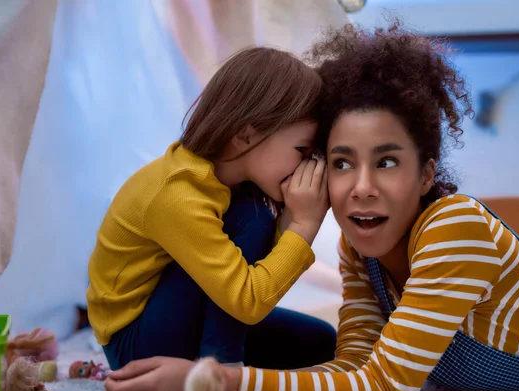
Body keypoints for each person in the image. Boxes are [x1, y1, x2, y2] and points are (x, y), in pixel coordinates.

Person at [104, 20, 519, 391]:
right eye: (341, 162)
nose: (361, 187)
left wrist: (221, 381)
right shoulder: (358, 249)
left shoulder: (455, 226)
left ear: (426, 174)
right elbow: (354, 371)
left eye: (386, 161)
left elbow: (383, 388)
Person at [86, 46, 336, 373]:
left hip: (183, 322)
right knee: (253, 214)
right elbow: (249, 301)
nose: (306, 164)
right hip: (135, 344)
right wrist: (303, 225)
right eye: (301, 150)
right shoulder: (177, 194)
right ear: (245, 135)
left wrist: (291, 217)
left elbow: (261, 281)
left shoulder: (229, 187)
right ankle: (222, 368)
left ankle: (217, 359)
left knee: (320, 340)